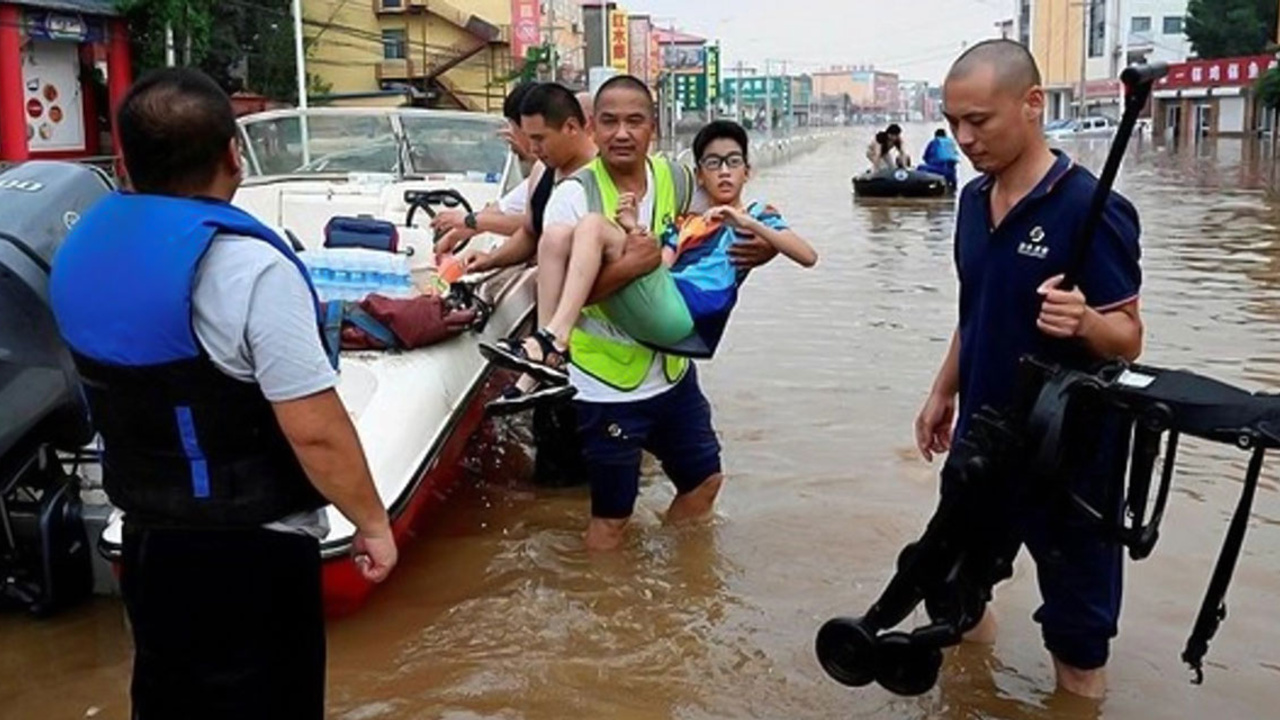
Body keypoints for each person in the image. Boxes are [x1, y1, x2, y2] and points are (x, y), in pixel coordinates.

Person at [48, 68, 398, 719]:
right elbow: (315, 430)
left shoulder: (79, 252)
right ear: (234, 154)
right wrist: (373, 522)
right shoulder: (251, 269)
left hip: (148, 541)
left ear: (125, 162)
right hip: (252, 547)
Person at [914, 40, 1143, 699]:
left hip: (1071, 456)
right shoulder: (970, 202)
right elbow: (975, 311)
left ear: (1032, 104)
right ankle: (974, 699)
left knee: (1076, 643)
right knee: (954, 598)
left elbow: (1128, 338)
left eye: (979, 121)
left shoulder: (1090, 209)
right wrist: (941, 391)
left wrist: (1088, 323)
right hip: (985, 437)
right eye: (954, 121)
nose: (964, 138)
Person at [485, 74, 779, 550]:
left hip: (672, 371)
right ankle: (607, 616)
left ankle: (669, 583)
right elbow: (563, 297)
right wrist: (629, 268)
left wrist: (763, 247)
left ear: (653, 129)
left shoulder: (678, 179)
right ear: (591, 130)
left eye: (634, 121)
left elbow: (726, 220)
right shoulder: (573, 197)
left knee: (705, 483)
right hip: (607, 385)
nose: (622, 133)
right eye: (610, 122)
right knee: (611, 521)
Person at [483, 118, 816, 370]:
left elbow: (807, 256)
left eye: (734, 162)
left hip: (686, 315)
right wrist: (632, 229)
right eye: (713, 163)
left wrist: (747, 222)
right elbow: (658, 268)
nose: (724, 171)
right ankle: (545, 356)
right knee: (557, 235)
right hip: (662, 303)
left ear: (748, 171)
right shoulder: (686, 222)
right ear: (700, 175)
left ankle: (554, 339)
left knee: (593, 225)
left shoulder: (759, 215)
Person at [433, 81, 542, 251]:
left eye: (512, 127)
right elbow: (503, 208)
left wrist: (467, 221)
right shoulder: (542, 171)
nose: (510, 135)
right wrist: (455, 234)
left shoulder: (561, 172)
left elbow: (535, 225)